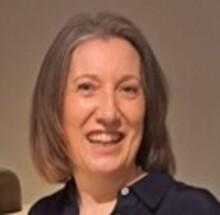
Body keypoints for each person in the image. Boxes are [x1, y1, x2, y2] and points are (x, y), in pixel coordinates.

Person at [28, 12, 220, 215]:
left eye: (127, 89)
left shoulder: (193, 209)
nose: (109, 113)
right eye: (87, 87)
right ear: (53, 106)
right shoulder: (44, 212)